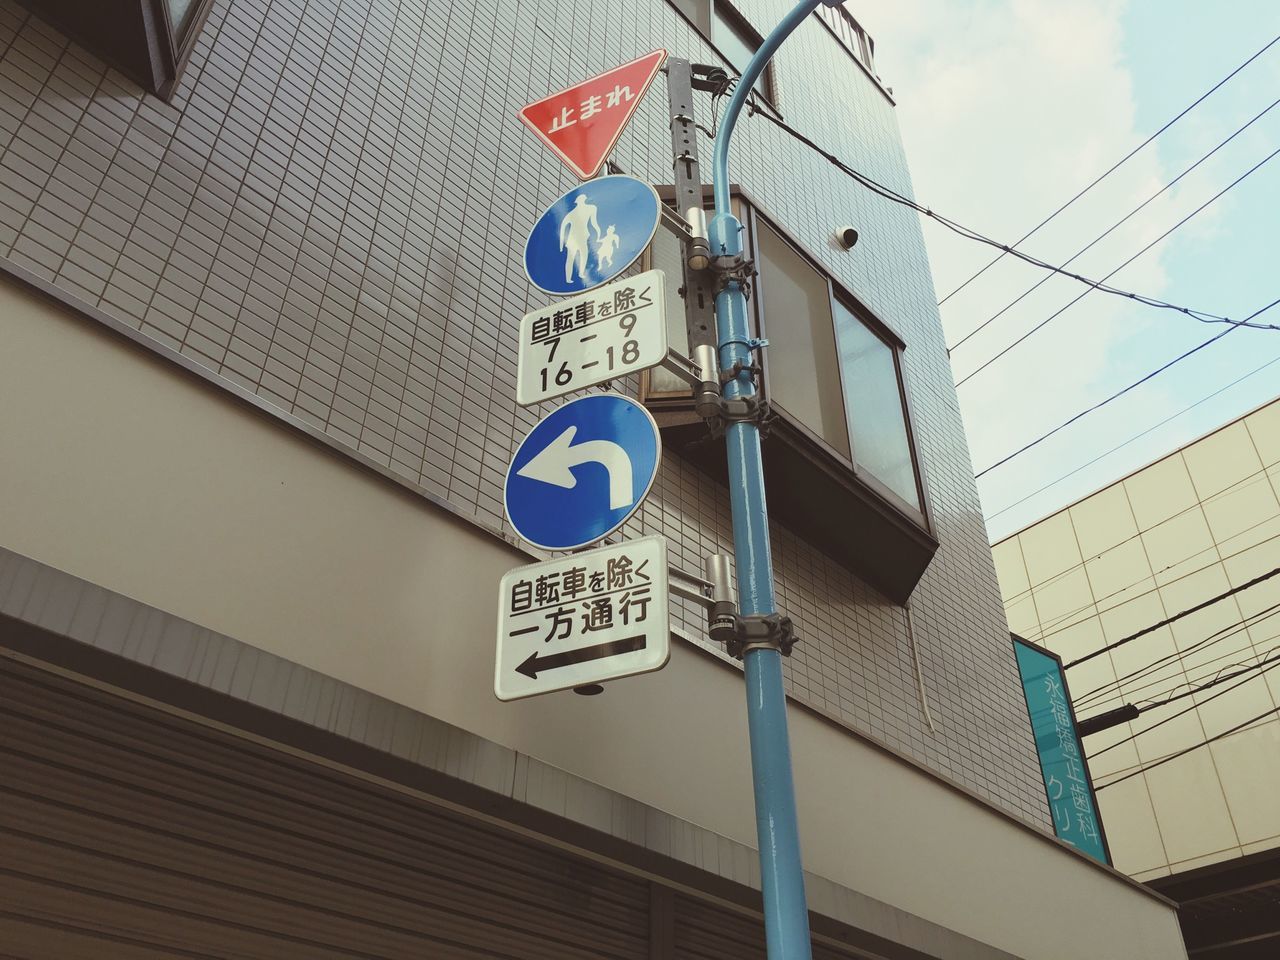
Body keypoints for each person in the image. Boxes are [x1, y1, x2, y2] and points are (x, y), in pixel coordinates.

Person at [559, 194, 601, 283]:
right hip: (574, 238)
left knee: (581, 256)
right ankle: (570, 278)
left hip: (580, 237)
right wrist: (561, 244)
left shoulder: (590, 209)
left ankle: (578, 275)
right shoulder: (573, 213)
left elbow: (594, 223)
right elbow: (562, 228)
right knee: (574, 257)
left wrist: (598, 233)